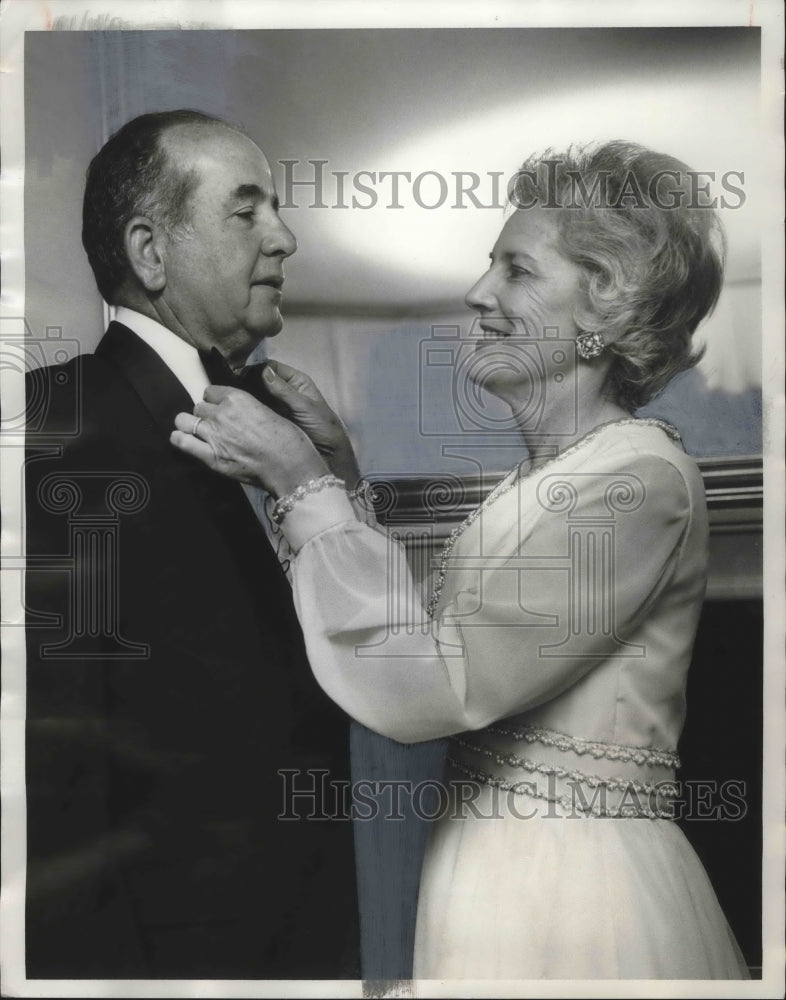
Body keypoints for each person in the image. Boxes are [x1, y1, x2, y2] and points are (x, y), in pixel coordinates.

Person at [171, 140, 750, 980]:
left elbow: (444, 686)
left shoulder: (638, 482)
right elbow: (450, 641)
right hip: (496, 874)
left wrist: (302, 483)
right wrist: (338, 473)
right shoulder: (555, 478)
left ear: (602, 309)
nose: (478, 293)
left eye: (517, 270)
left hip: (572, 899)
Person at [24, 110, 359, 978]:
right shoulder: (53, 429)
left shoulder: (292, 428)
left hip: (303, 937)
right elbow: (61, 769)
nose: (284, 237)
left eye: (276, 209)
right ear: (150, 253)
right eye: (246, 212)